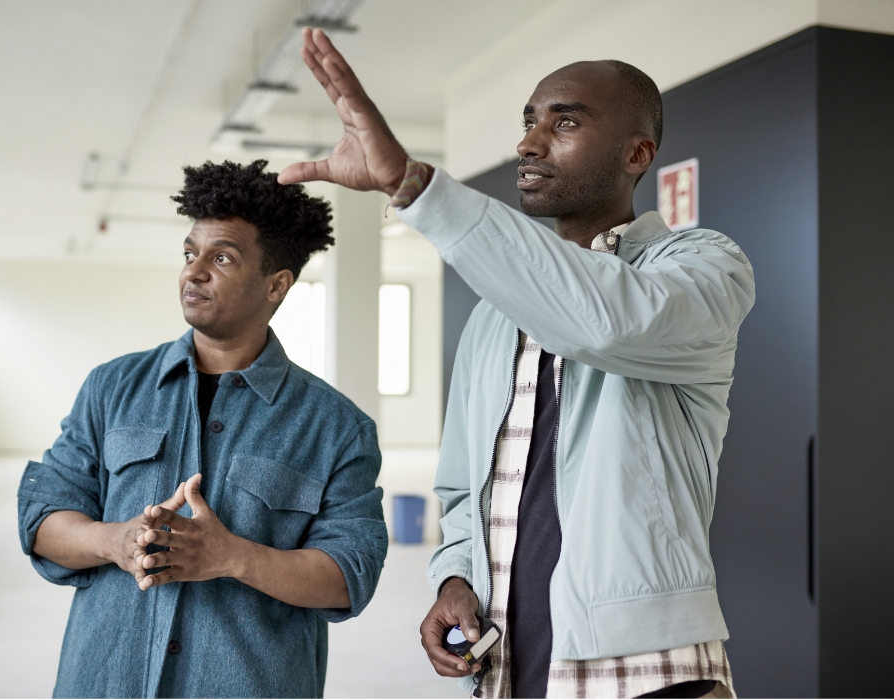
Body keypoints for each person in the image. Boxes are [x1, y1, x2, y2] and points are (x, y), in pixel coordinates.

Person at [280, 29, 754, 699]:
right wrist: (454, 577)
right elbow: (462, 485)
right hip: (510, 660)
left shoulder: (703, 267)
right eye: (529, 121)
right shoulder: (495, 311)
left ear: (637, 153)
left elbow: (602, 317)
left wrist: (415, 185)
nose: (529, 143)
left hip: (645, 666)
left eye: (564, 122)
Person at [17, 159, 388, 698]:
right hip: (105, 680)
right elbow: (42, 517)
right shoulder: (112, 387)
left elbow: (350, 573)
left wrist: (233, 556)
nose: (193, 272)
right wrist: (113, 540)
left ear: (276, 285)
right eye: (190, 253)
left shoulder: (336, 427)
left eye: (221, 258)